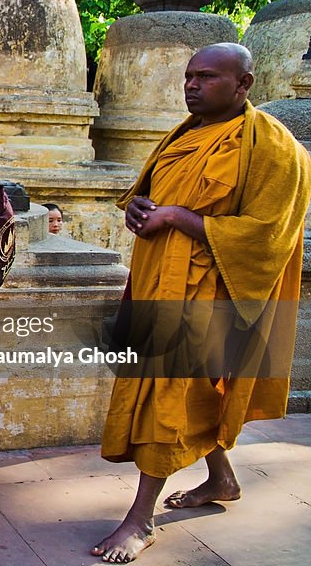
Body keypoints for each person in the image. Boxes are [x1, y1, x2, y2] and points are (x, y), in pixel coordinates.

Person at [91, 43, 311, 562]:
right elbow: (149, 198)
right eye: (189, 76)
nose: (191, 85)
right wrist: (142, 211)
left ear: (244, 84)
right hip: (158, 283)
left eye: (207, 77)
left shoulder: (275, 148)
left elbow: (266, 236)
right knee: (189, 392)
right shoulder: (182, 135)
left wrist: (176, 218)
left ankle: (140, 519)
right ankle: (222, 480)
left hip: (212, 292)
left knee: (169, 396)